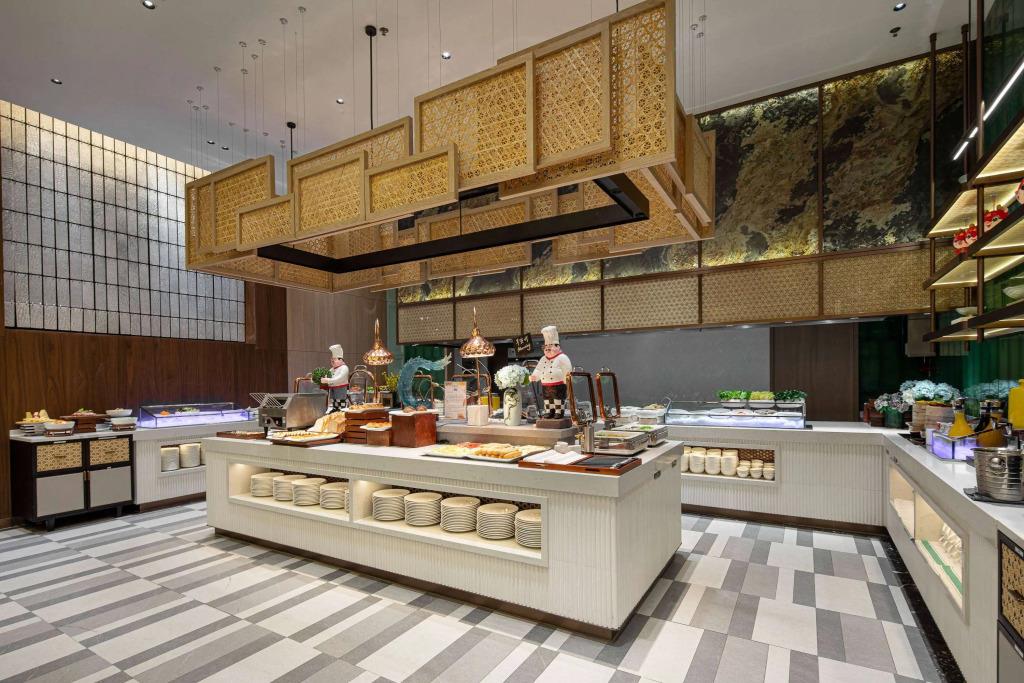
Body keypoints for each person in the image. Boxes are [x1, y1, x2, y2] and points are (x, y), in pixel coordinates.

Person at [530, 325, 573, 419]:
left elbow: (567, 370)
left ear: (557, 346)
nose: (547, 349)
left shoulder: (562, 357)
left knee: (558, 399)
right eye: (546, 347)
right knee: (547, 399)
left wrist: (567, 381)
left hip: (559, 384)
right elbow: (538, 369)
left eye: (550, 347)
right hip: (545, 384)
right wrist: (534, 376)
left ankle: (558, 412)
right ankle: (549, 411)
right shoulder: (543, 358)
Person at [322, 344, 349, 412]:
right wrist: (323, 378)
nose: (332, 361)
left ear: (341, 360)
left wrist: (328, 380)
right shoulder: (332, 369)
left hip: (341, 387)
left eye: (334, 359)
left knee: (340, 399)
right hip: (333, 387)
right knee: (333, 399)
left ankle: (340, 409)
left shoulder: (344, 368)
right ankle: (335, 408)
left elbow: (340, 378)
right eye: (332, 359)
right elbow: (327, 375)